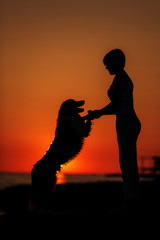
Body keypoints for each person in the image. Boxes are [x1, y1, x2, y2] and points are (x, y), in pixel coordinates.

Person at [88, 49, 141, 214]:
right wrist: (99, 113)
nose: (106, 68)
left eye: (107, 64)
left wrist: (98, 112)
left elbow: (115, 105)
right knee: (129, 162)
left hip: (126, 121)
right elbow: (117, 106)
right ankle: (133, 200)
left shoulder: (120, 79)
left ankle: (131, 203)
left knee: (126, 163)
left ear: (115, 62)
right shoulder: (124, 78)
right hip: (128, 119)